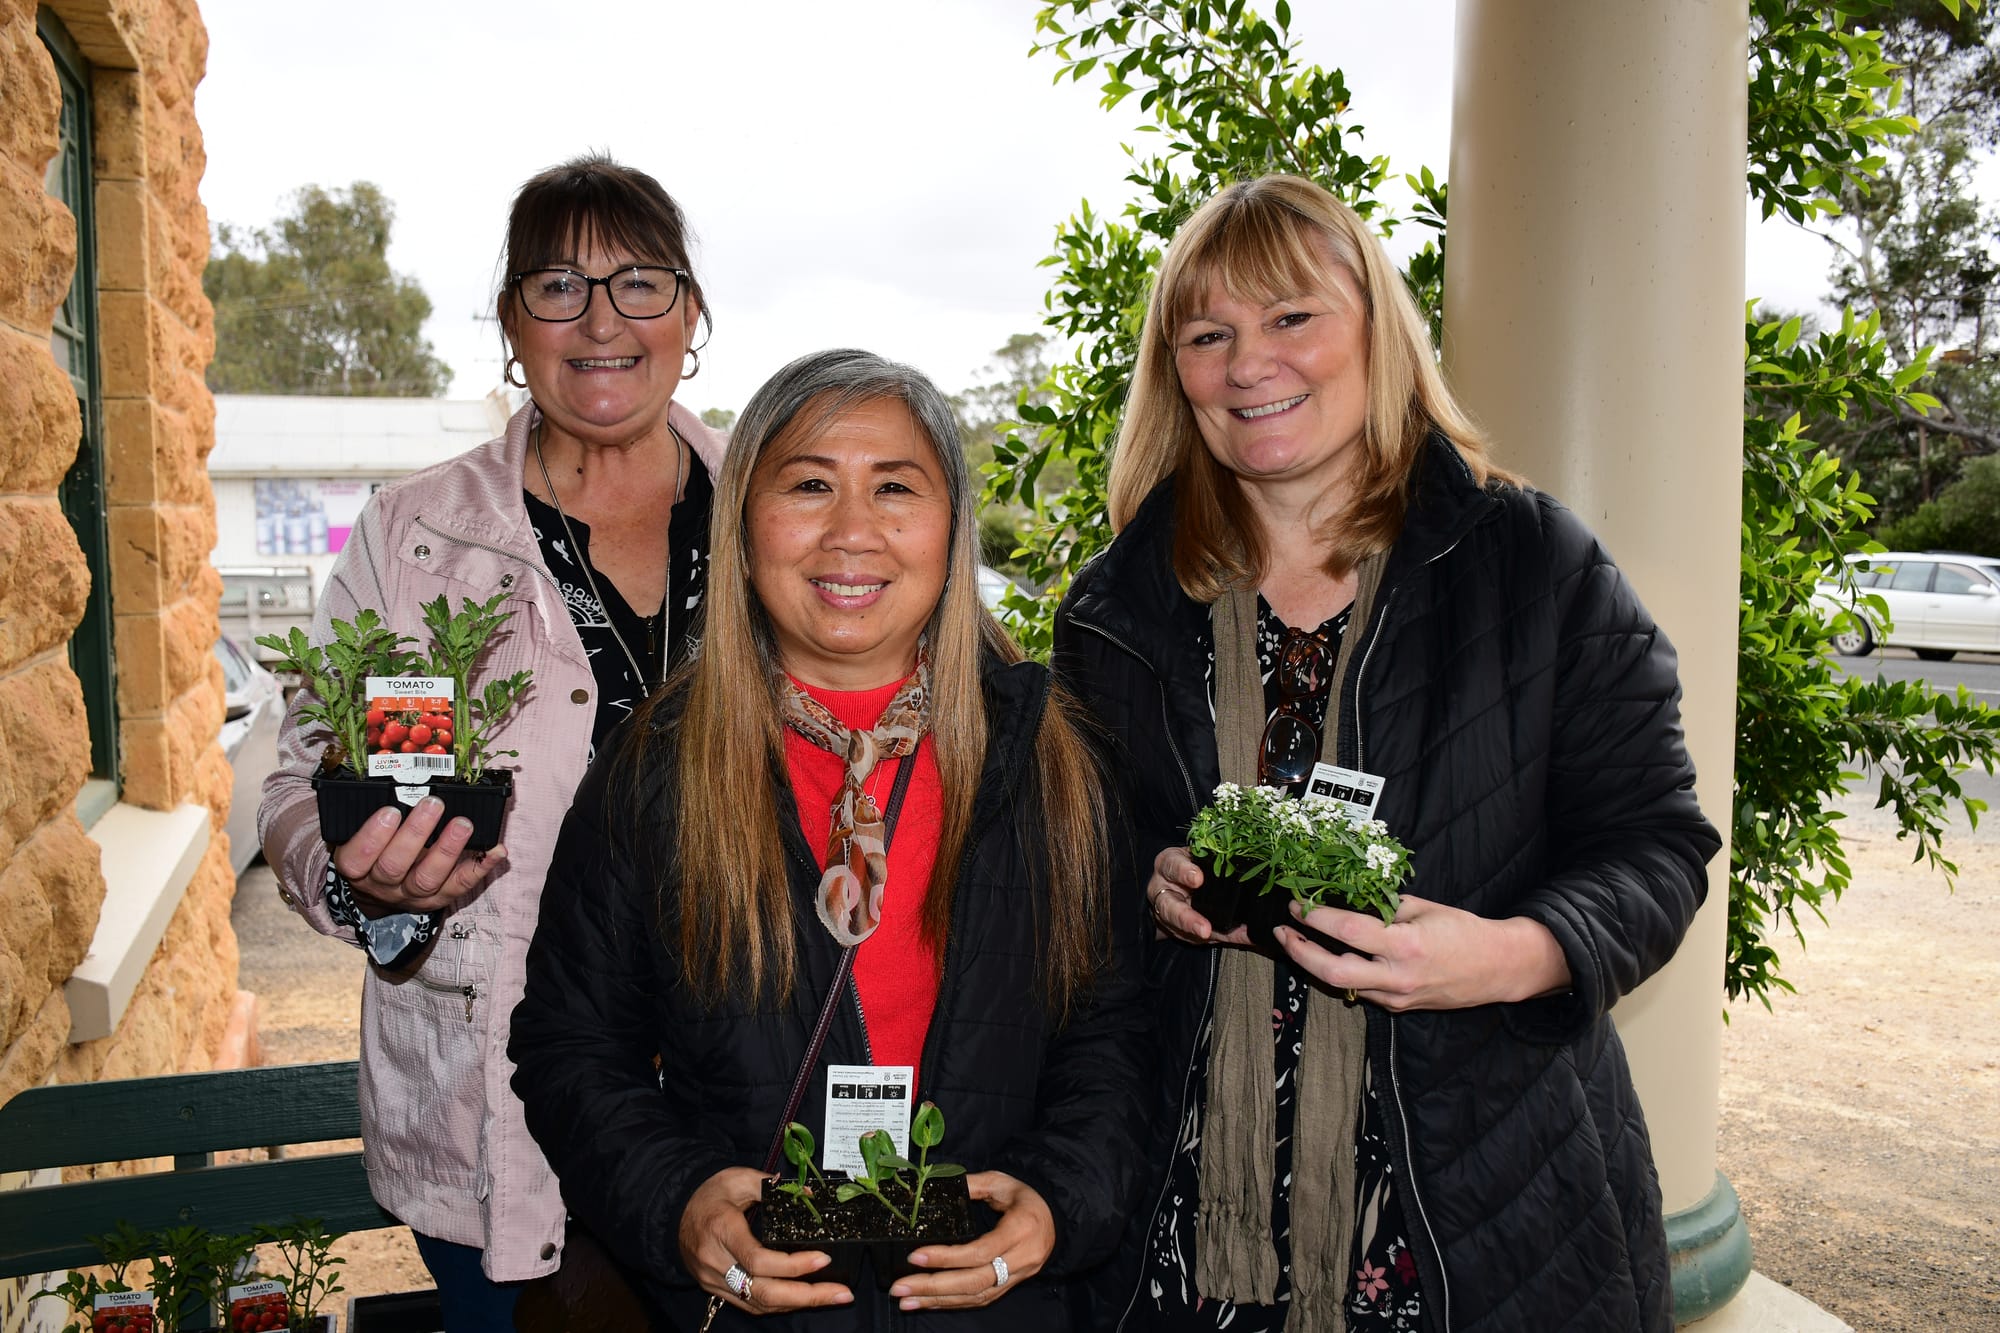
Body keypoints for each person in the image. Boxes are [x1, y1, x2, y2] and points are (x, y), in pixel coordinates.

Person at [1051, 174, 1722, 1331]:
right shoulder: (1117, 608)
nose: (1248, 362)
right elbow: (1062, 890)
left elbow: (1653, 845)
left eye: (1291, 317)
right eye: (1207, 334)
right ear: (1177, 375)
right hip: (1183, 1226)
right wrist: (1139, 884)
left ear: (1377, 330)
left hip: (1475, 1213)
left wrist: (1511, 955)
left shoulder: (1532, 566)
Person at [508, 348, 1152, 1330]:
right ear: (743, 524)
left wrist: (1060, 1200)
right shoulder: (657, 771)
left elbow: (1112, 1044)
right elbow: (569, 1049)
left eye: (895, 487)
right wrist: (674, 1197)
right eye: (808, 484)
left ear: (949, 527)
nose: (852, 530)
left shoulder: (1054, 765)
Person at [257, 153, 726, 1327]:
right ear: (512, 325)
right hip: (493, 1100)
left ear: (692, 316)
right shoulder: (417, 533)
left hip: (742, 1078)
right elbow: (292, 767)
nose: (601, 320)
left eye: (640, 283)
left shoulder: (777, 502)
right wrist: (366, 886)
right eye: (557, 286)